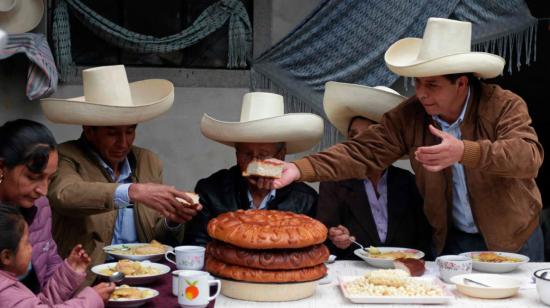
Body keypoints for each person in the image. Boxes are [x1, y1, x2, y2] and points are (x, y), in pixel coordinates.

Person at [260, 18, 544, 261]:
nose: (421, 93)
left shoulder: (503, 104)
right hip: (453, 238)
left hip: (514, 236)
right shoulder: (411, 115)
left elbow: (528, 157)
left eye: (432, 84)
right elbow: (363, 151)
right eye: (417, 82)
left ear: (461, 83)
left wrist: (463, 152)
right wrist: (300, 169)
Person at [41, 65, 201, 282]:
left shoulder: (148, 162)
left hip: (142, 274)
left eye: (130, 131)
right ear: (89, 130)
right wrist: (132, 192)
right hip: (87, 278)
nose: (123, 142)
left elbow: (156, 239)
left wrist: (172, 221)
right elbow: (64, 194)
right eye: (112, 133)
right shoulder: (66, 156)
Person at [183, 92, 323, 246]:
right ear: (236, 154)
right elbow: (196, 247)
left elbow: (312, 250)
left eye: (263, 155)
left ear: (281, 156)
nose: (254, 163)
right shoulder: (211, 191)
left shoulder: (305, 199)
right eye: (247, 154)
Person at [318, 82, 432, 260]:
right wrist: (337, 238)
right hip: (353, 273)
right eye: (353, 136)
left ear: (389, 144)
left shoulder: (408, 182)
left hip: (403, 276)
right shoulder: (334, 183)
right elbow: (323, 238)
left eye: (369, 136)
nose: (360, 144)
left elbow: (424, 238)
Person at [0, 204, 115, 307]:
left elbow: (40, 304)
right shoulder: (6, 294)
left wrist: (68, 274)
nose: (31, 248)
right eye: (26, 243)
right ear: (6, 256)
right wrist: (92, 298)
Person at [0, 119, 65, 293]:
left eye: (49, 178)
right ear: (2, 167)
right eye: (33, 177)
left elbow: (50, 260)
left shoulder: (40, 205)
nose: (43, 190)